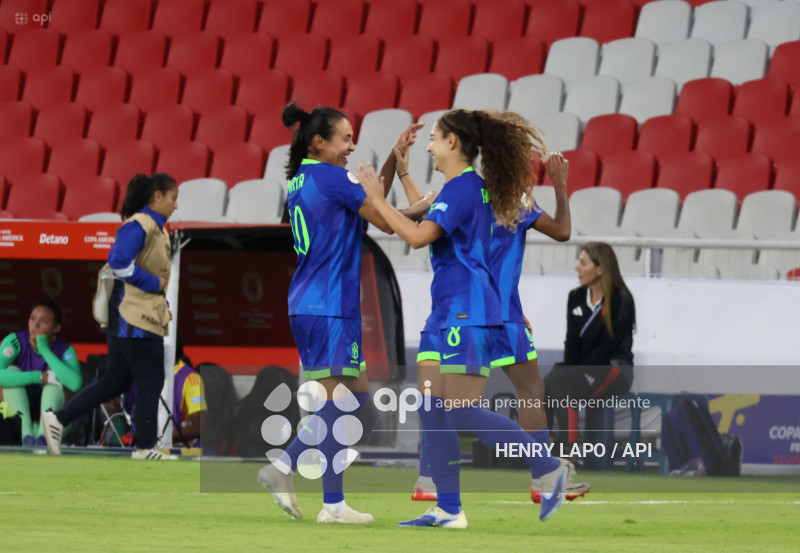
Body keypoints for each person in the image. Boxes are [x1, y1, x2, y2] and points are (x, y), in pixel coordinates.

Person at [356, 109, 575, 529]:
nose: (430, 145)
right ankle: (448, 509)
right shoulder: (463, 190)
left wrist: (380, 196)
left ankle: (547, 466)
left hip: (467, 312)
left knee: (455, 409)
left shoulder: (462, 189)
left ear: (453, 143)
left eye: (435, 138)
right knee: (430, 406)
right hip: (448, 312)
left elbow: (417, 236)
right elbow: (416, 222)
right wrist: (397, 182)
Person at [256, 103, 433, 525]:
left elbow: (371, 204)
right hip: (331, 305)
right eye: (345, 138)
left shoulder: (303, 179)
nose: (350, 147)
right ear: (320, 141)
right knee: (343, 404)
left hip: (310, 302)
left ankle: (333, 504)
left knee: (355, 400)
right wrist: (423, 208)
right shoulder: (334, 178)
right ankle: (282, 468)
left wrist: (393, 158)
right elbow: (387, 220)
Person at [398, 145, 590, 504]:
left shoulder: (466, 193)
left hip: (461, 307)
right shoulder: (514, 200)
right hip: (500, 311)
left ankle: (431, 476)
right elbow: (562, 231)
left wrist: (404, 176)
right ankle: (545, 474)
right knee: (526, 392)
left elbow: (428, 219)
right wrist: (561, 187)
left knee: (437, 396)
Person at [42, 173, 179, 461]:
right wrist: (153, 286)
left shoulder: (157, 228)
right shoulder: (140, 225)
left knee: (114, 381)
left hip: (139, 314)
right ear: (157, 196)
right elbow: (118, 262)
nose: (175, 205)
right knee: (151, 380)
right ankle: (144, 448)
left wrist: (160, 300)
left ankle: (58, 419)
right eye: (172, 198)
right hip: (134, 318)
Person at [544, 241, 636, 454]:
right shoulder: (575, 297)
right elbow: (571, 340)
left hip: (614, 369)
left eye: (583, 263)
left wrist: (575, 369)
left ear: (600, 268)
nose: (577, 268)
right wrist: (570, 367)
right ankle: (540, 447)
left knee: (561, 382)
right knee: (545, 385)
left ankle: (569, 450)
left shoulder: (621, 298)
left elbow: (609, 345)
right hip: (584, 368)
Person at [0, 300, 82, 446]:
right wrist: (38, 376)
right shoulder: (15, 341)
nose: (35, 325)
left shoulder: (64, 349)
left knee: (56, 378)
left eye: (43, 321)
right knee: (11, 370)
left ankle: (44, 438)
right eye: (32, 319)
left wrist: (44, 350)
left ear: (56, 328)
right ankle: (26, 436)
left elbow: (75, 383)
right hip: (15, 421)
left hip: (49, 425)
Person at [123, 338, 207, 448]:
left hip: (182, 451)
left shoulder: (190, 378)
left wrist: (161, 437)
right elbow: (129, 418)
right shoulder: (141, 376)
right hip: (145, 448)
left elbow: (199, 426)